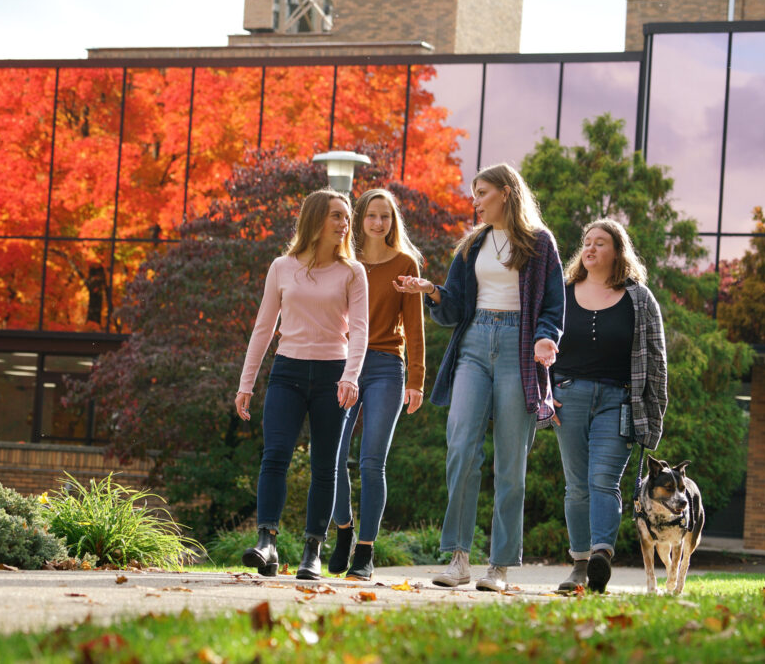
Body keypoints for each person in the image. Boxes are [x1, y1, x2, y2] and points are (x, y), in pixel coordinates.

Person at [395, 163, 564, 592]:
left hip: (519, 348)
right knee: (461, 449)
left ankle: (499, 567)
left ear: (506, 192)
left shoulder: (540, 244)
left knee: (511, 462)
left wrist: (546, 338)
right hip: (473, 344)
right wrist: (432, 291)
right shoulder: (473, 243)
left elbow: (553, 306)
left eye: (483, 192)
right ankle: (458, 559)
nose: (476, 202)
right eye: (475, 194)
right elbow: (453, 308)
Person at [235, 188, 368, 581]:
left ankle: (313, 550)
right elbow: (263, 328)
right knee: (275, 455)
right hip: (287, 373)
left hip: (333, 376)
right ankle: (267, 541)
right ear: (315, 219)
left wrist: (351, 376)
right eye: (336, 215)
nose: (344, 223)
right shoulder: (282, 266)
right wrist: (246, 384)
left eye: (347, 216)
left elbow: (360, 331)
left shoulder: (352, 272)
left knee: (325, 466)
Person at [550, 219, 668, 593]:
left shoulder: (640, 299)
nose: (591, 248)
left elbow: (657, 361)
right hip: (567, 397)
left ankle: (601, 554)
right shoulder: (560, 293)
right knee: (576, 487)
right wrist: (543, 393)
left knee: (603, 480)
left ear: (618, 252)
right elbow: (538, 342)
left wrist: (653, 416)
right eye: (587, 242)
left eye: (600, 242)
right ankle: (579, 565)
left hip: (618, 401)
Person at [326, 189, 426, 580]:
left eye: (385, 216)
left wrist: (416, 380)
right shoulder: (344, 262)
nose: (378, 222)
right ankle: (344, 530)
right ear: (360, 219)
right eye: (371, 215)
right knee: (332, 457)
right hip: (344, 364)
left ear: (392, 221)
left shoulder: (405, 263)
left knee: (371, 462)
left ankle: (365, 551)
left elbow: (414, 327)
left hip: (386, 366)